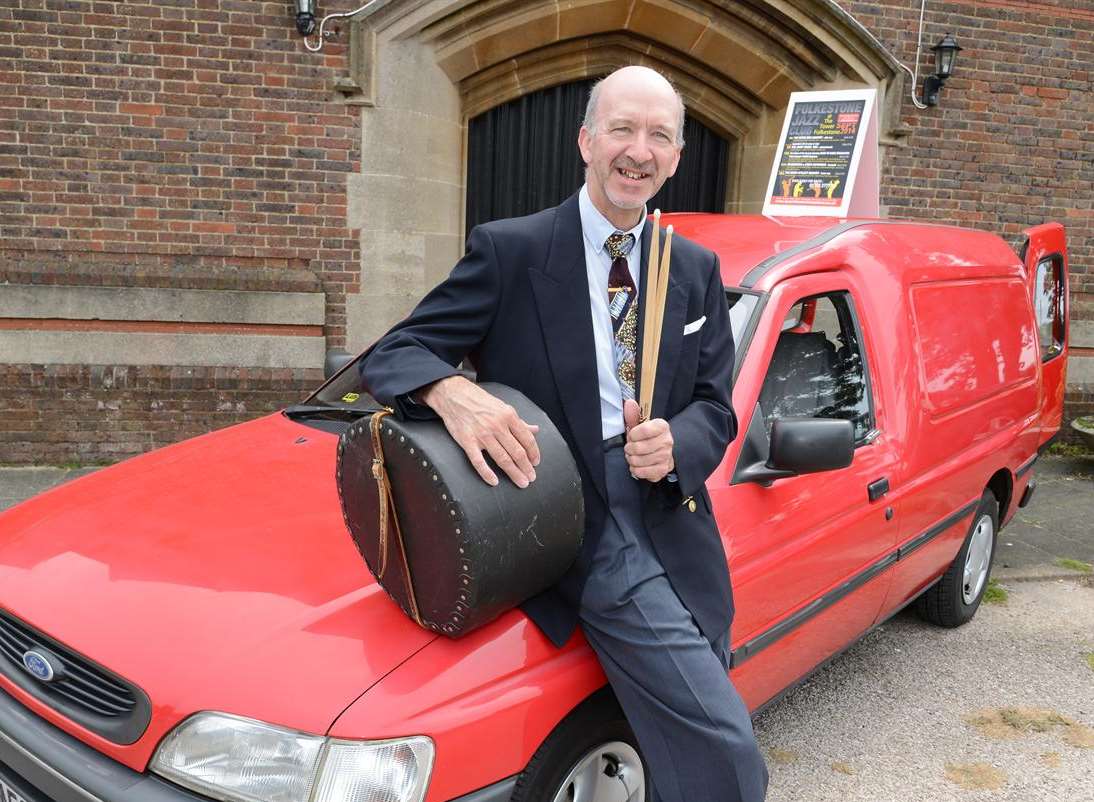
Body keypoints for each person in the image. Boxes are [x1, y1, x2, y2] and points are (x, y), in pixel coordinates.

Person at [360, 65, 768, 802]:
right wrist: (453, 390)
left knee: (689, 711)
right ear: (585, 141)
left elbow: (717, 407)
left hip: (675, 519)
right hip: (575, 516)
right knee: (728, 753)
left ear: (675, 157)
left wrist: (680, 443)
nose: (638, 151)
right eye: (621, 129)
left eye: (658, 136)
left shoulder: (695, 269)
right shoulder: (511, 250)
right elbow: (392, 353)